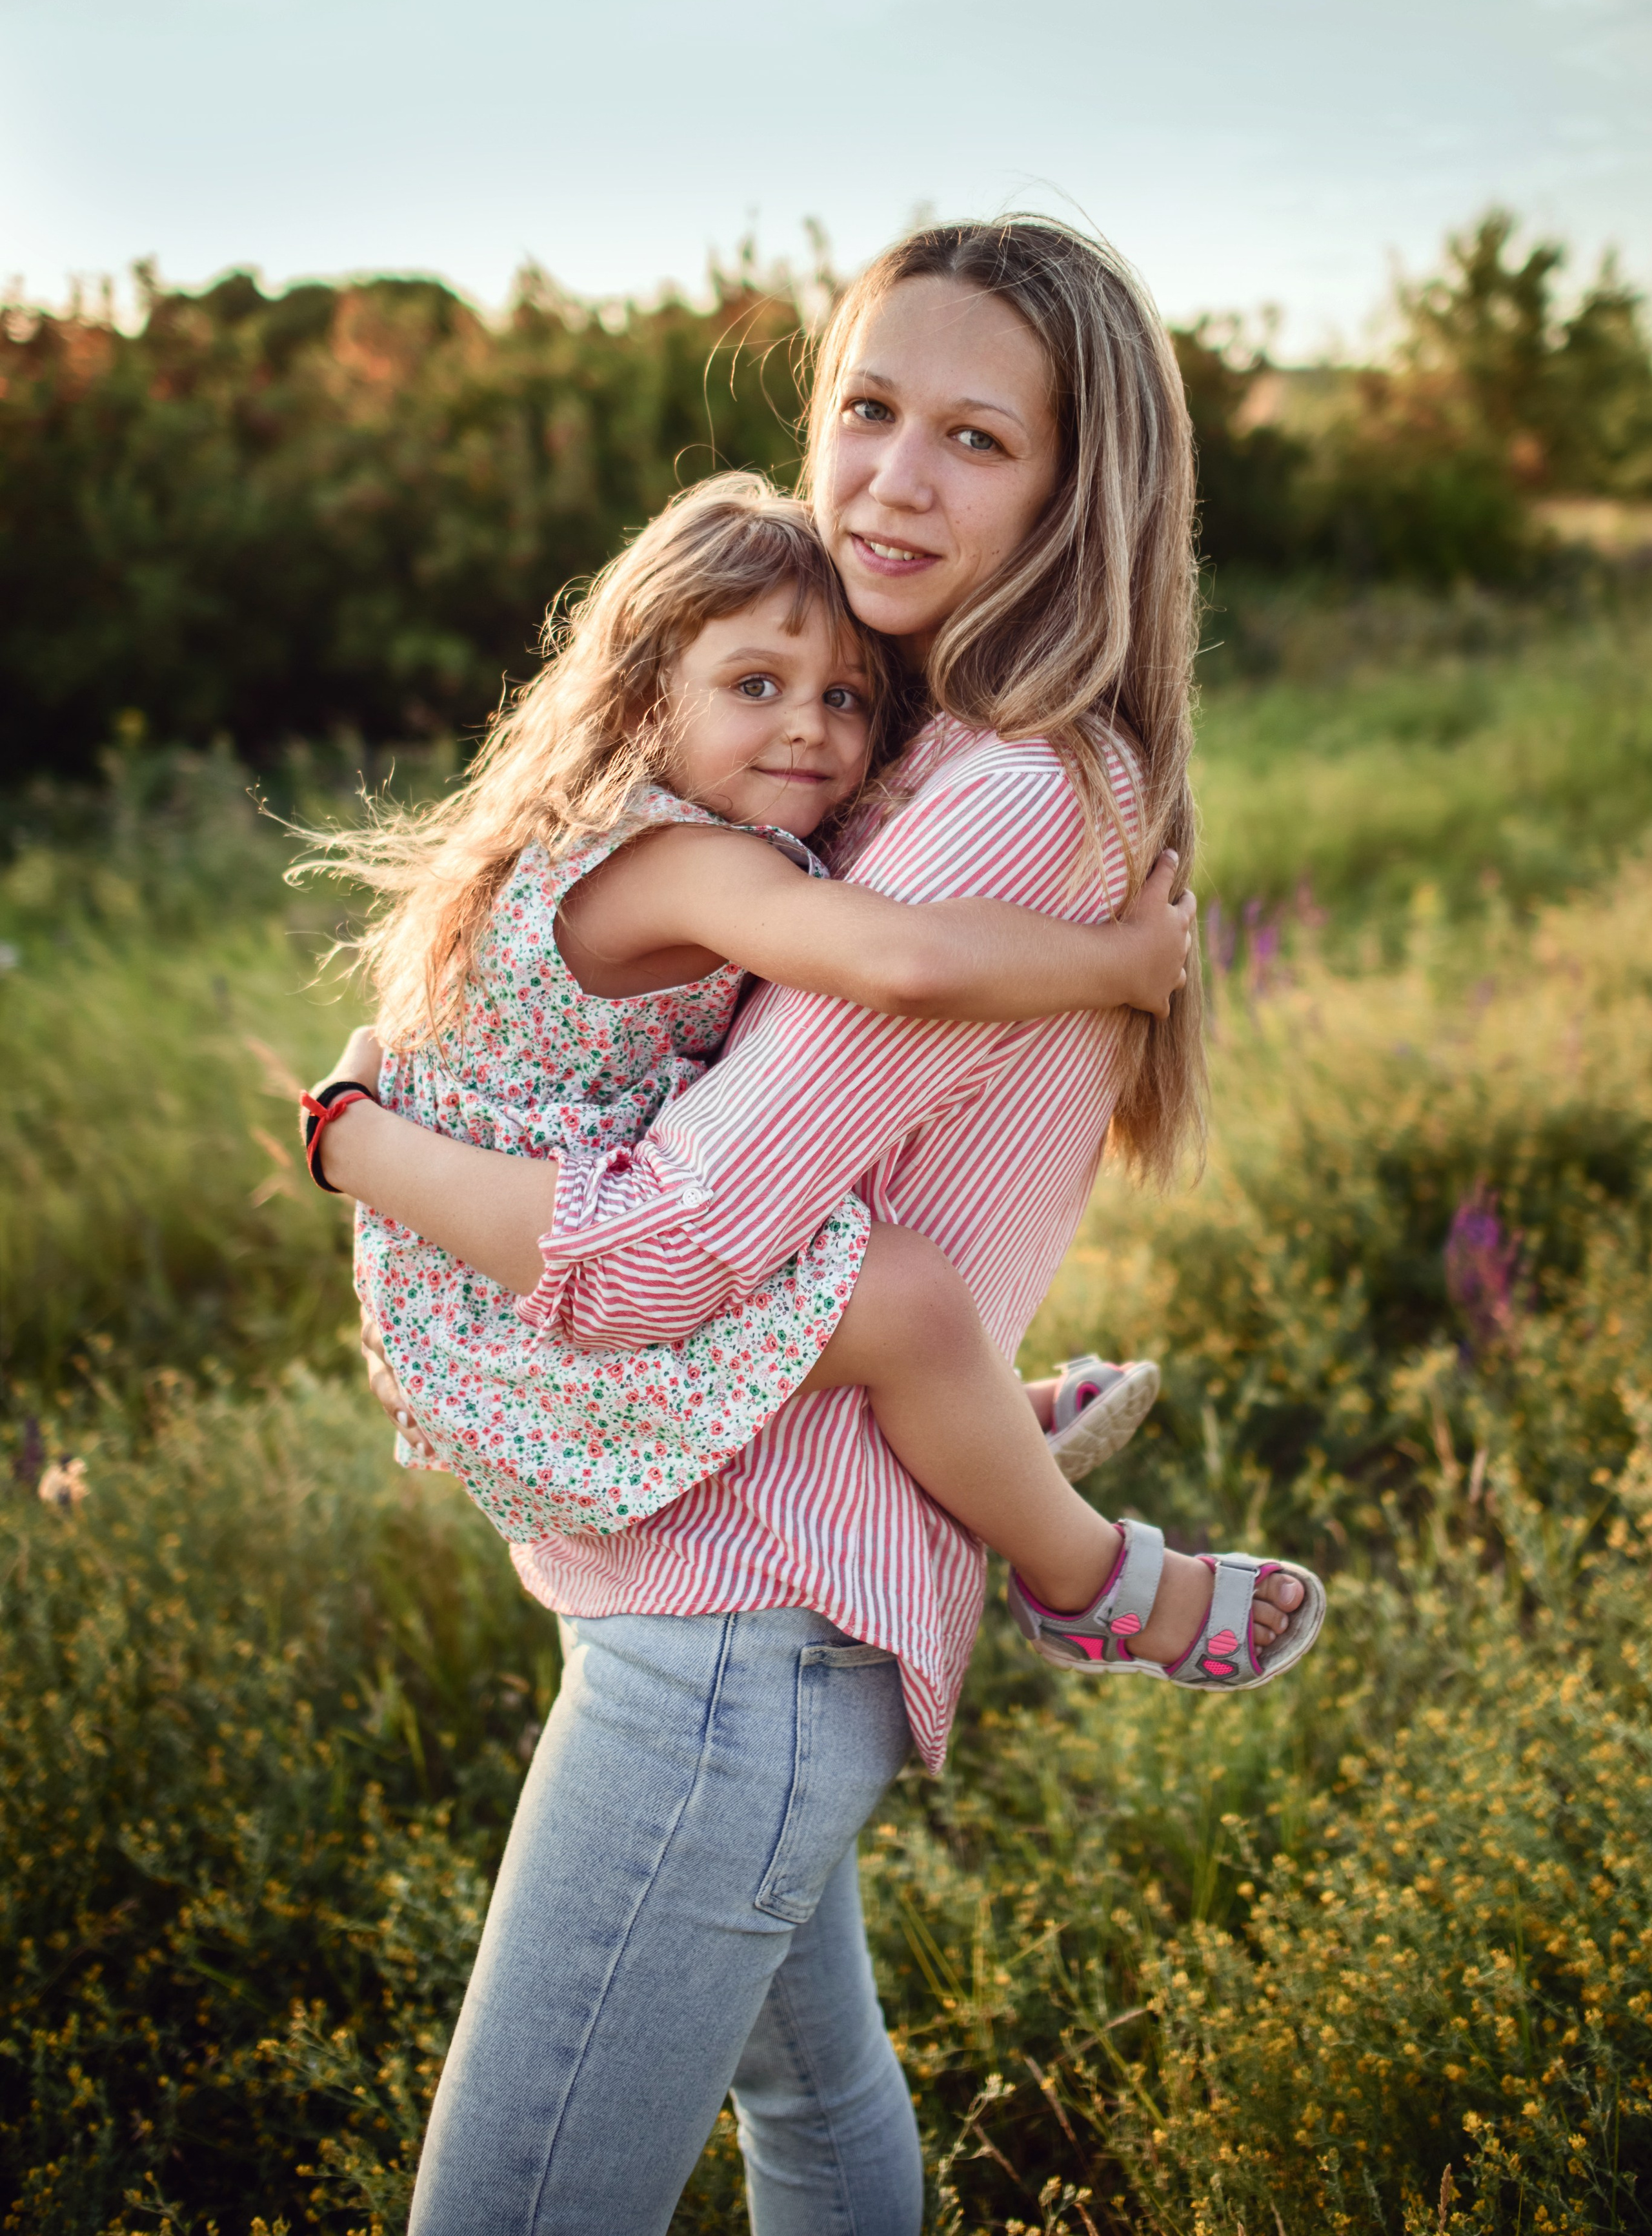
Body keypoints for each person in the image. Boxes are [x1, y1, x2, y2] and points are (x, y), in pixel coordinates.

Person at [308, 218, 1325, 2235]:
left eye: (975, 439)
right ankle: (1060, 1525)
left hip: (734, 1635)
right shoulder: (889, 738)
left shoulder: (1002, 795)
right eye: (867, 408)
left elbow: (680, 1249)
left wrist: (356, 1143)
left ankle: (1091, 1564)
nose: (891, 477)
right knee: (815, 2106)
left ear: (1079, 487)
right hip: (746, 1598)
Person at [299, 473, 1193, 1623]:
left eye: (849, 699)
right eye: (755, 686)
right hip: (517, 1304)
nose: (810, 728)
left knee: (865, 1282)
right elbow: (904, 963)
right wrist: (1117, 967)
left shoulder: (640, 830)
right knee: (908, 1301)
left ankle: (988, 1421)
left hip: (488, 1269)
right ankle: (1091, 1584)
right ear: (643, 701)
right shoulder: (686, 861)